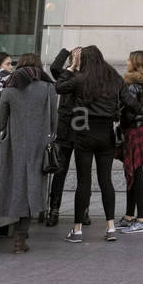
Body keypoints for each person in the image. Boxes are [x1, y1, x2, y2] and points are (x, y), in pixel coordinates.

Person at [54, 45, 123, 242]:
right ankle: (110, 227)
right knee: (106, 181)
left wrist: (72, 67)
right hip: (106, 133)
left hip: (84, 132)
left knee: (83, 182)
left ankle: (77, 231)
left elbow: (58, 87)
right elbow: (127, 99)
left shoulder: (79, 78)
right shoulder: (114, 78)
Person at [0, 54, 55, 254]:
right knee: (31, 188)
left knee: (13, 186)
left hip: (13, 146)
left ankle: (18, 235)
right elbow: (54, 120)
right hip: (38, 145)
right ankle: (21, 235)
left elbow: (0, 122)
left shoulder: (10, 88)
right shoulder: (48, 87)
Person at [44, 46, 90, 227]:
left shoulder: (88, 77)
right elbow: (54, 68)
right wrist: (67, 52)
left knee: (83, 173)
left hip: (81, 128)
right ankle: (54, 210)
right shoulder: (65, 75)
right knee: (60, 171)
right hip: (65, 129)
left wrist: (76, 65)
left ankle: (84, 211)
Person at [118, 50, 143, 234]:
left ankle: (140, 219)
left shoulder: (133, 84)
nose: (126, 62)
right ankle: (129, 217)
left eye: (129, 59)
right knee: (134, 173)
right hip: (140, 129)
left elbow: (128, 108)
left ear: (135, 62)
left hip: (132, 130)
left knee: (136, 173)